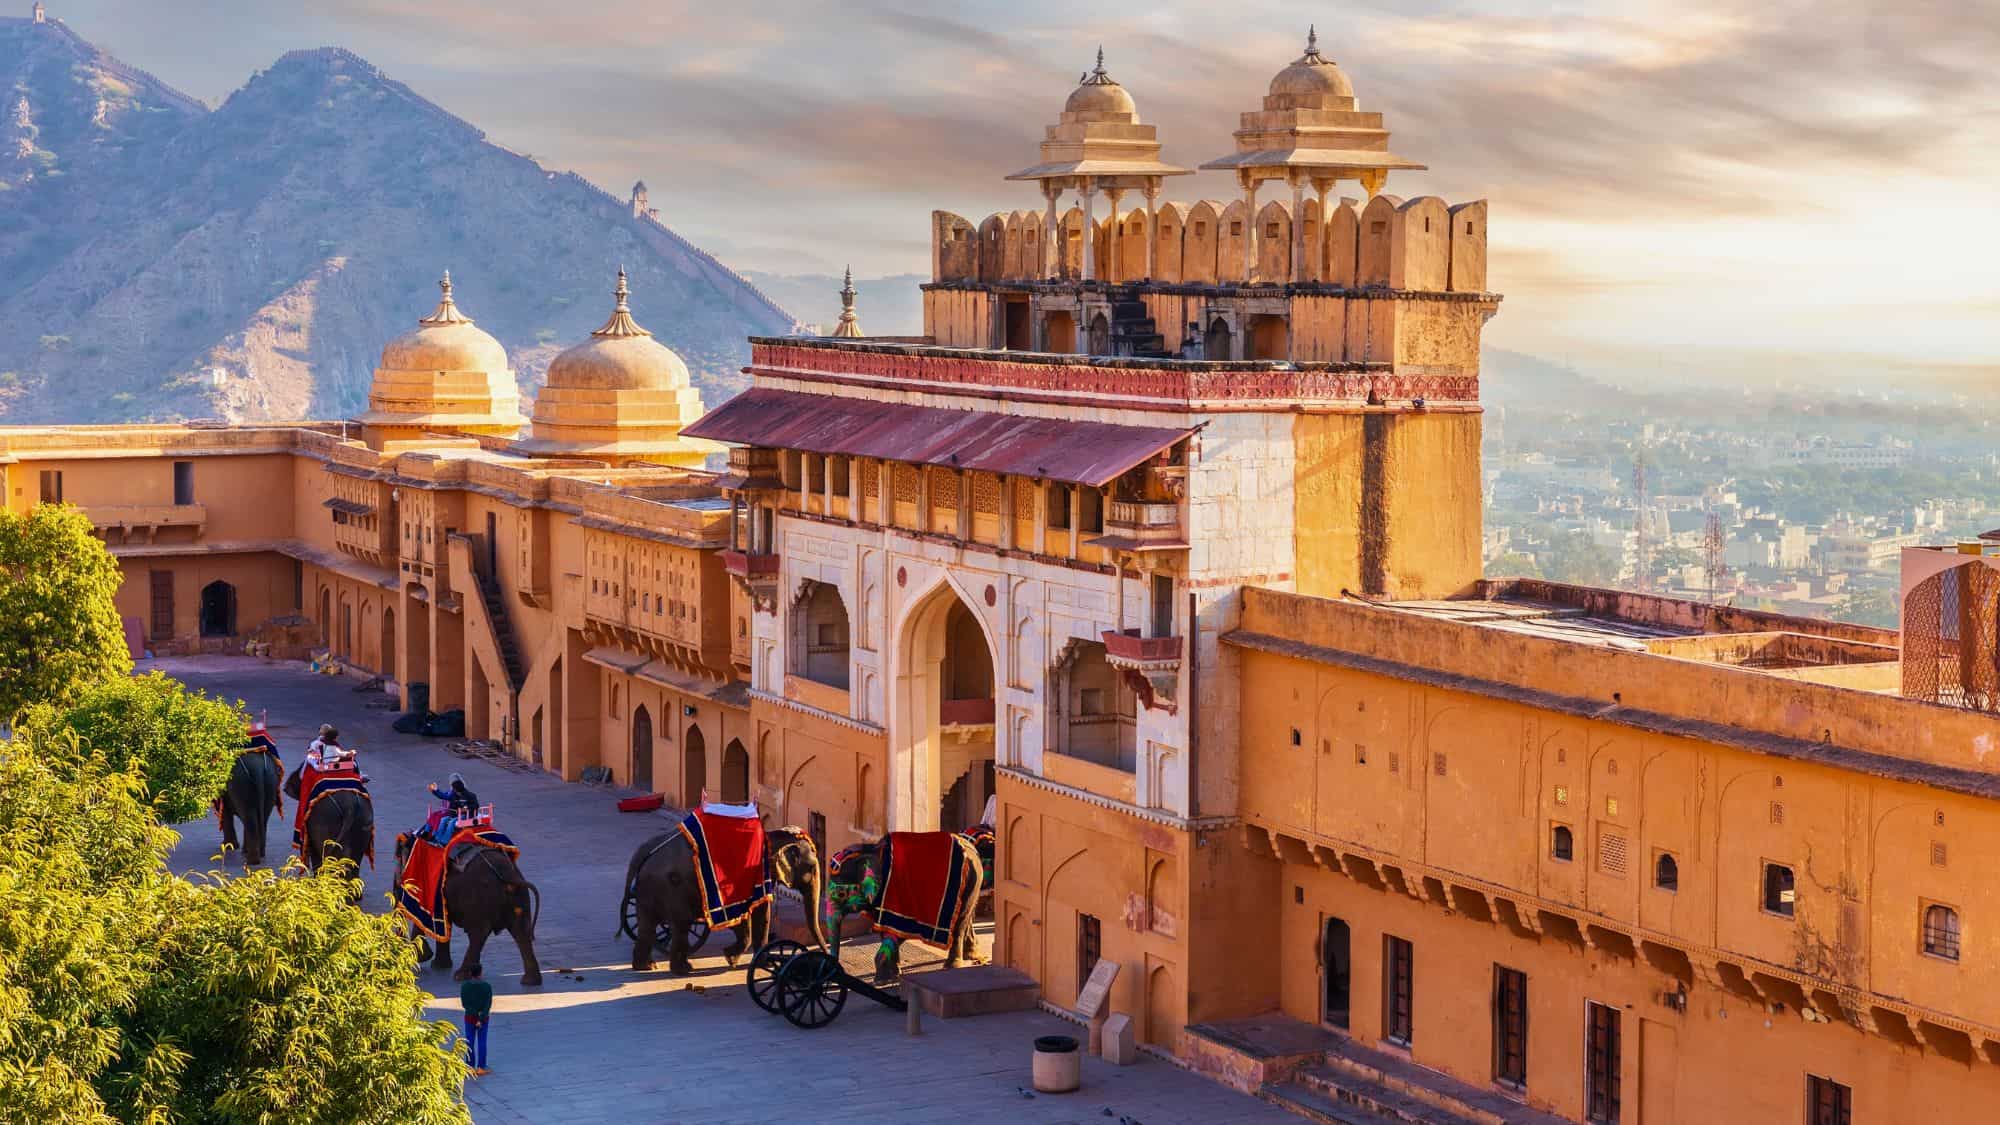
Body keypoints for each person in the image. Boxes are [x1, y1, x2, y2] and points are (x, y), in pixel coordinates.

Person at [460, 964, 492, 1076]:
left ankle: (470, 1067)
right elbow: (487, 1005)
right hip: (483, 1019)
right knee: (482, 1042)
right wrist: (481, 1017)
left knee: (469, 1041)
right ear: (480, 973)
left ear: (470, 973)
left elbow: (465, 1004)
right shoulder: (487, 987)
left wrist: (474, 1014)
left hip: (469, 1018)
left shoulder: (464, 986)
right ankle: (481, 1067)